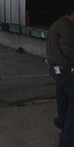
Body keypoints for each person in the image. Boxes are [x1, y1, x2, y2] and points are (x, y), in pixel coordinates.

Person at [46, 8, 74, 146]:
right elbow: (68, 50)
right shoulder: (67, 27)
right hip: (67, 70)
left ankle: (65, 133)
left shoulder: (56, 24)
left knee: (63, 103)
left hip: (57, 69)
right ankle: (67, 140)